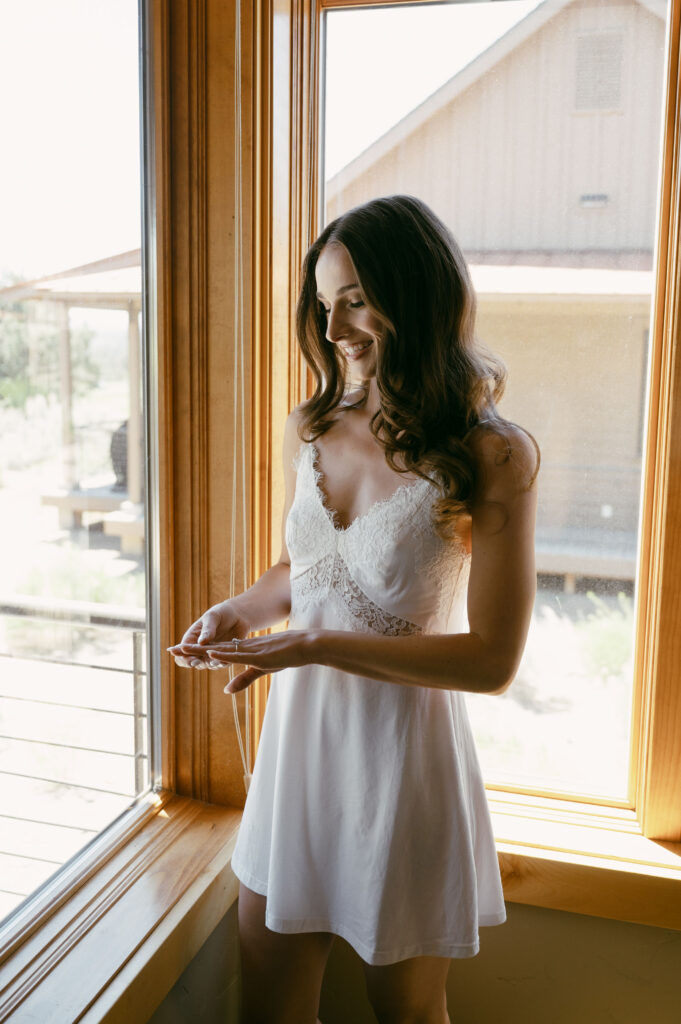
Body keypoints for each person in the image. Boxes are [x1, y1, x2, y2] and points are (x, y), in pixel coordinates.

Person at [168, 195, 539, 1024]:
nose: (335, 329)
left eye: (358, 300)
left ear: (418, 295)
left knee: (404, 1011)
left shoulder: (490, 453)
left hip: (402, 764)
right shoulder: (314, 423)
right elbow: (304, 567)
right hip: (299, 751)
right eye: (324, 304)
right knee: (267, 996)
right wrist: (240, 609)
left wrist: (313, 646)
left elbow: (491, 661)